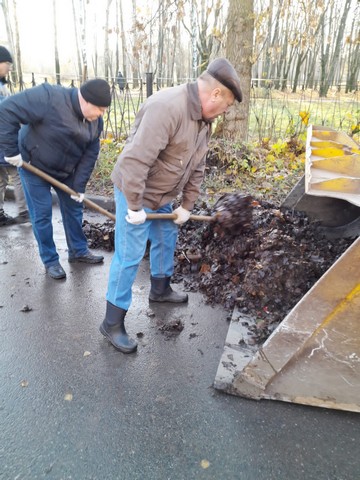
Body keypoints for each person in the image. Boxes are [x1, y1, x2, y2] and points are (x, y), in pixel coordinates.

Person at [100, 58, 242, 353]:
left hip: (164, 194)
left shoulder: (204, 122)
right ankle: (112, 322)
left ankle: (161, 289)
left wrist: (187, 205)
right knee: (130, 254)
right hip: (134, 189)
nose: (226, 111)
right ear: (215, 94)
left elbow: (197, 166)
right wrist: (135, 207)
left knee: (167, 236)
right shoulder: (166, 107)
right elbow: (135, 161)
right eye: (227, 104)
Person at [0, 78, 112, 279]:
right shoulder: (48, 97)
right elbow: (6, 109)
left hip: (66, 170)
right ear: (85, 101)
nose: (102, 115)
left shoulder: (95, 121)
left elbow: (91, 151)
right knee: (42, 214)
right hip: (33, 166)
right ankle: (50, 260)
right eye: (100, 110)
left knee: (74, 209)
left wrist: (79, 186)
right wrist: (10, 150)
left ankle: (78, 251)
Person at [0, 45, 29, 226]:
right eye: (7, 62)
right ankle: (24, 212)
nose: (10, 67)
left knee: (1, 177)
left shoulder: (2, 86)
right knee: (18, 173)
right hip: (4, 140)